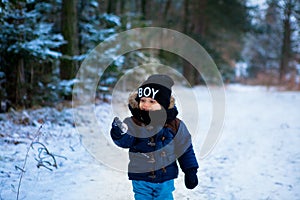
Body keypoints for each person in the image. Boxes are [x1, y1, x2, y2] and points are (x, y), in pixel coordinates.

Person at [110, 74, 198, 200]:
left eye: (152, 101)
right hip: (141, 177)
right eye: (143, 100)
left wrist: (190, 170)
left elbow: (185, 148)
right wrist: (119, 133)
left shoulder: (174, 124)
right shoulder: (134, 122)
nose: (146, 104)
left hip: (165, 178)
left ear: (163, 104)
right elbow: (126, 141)